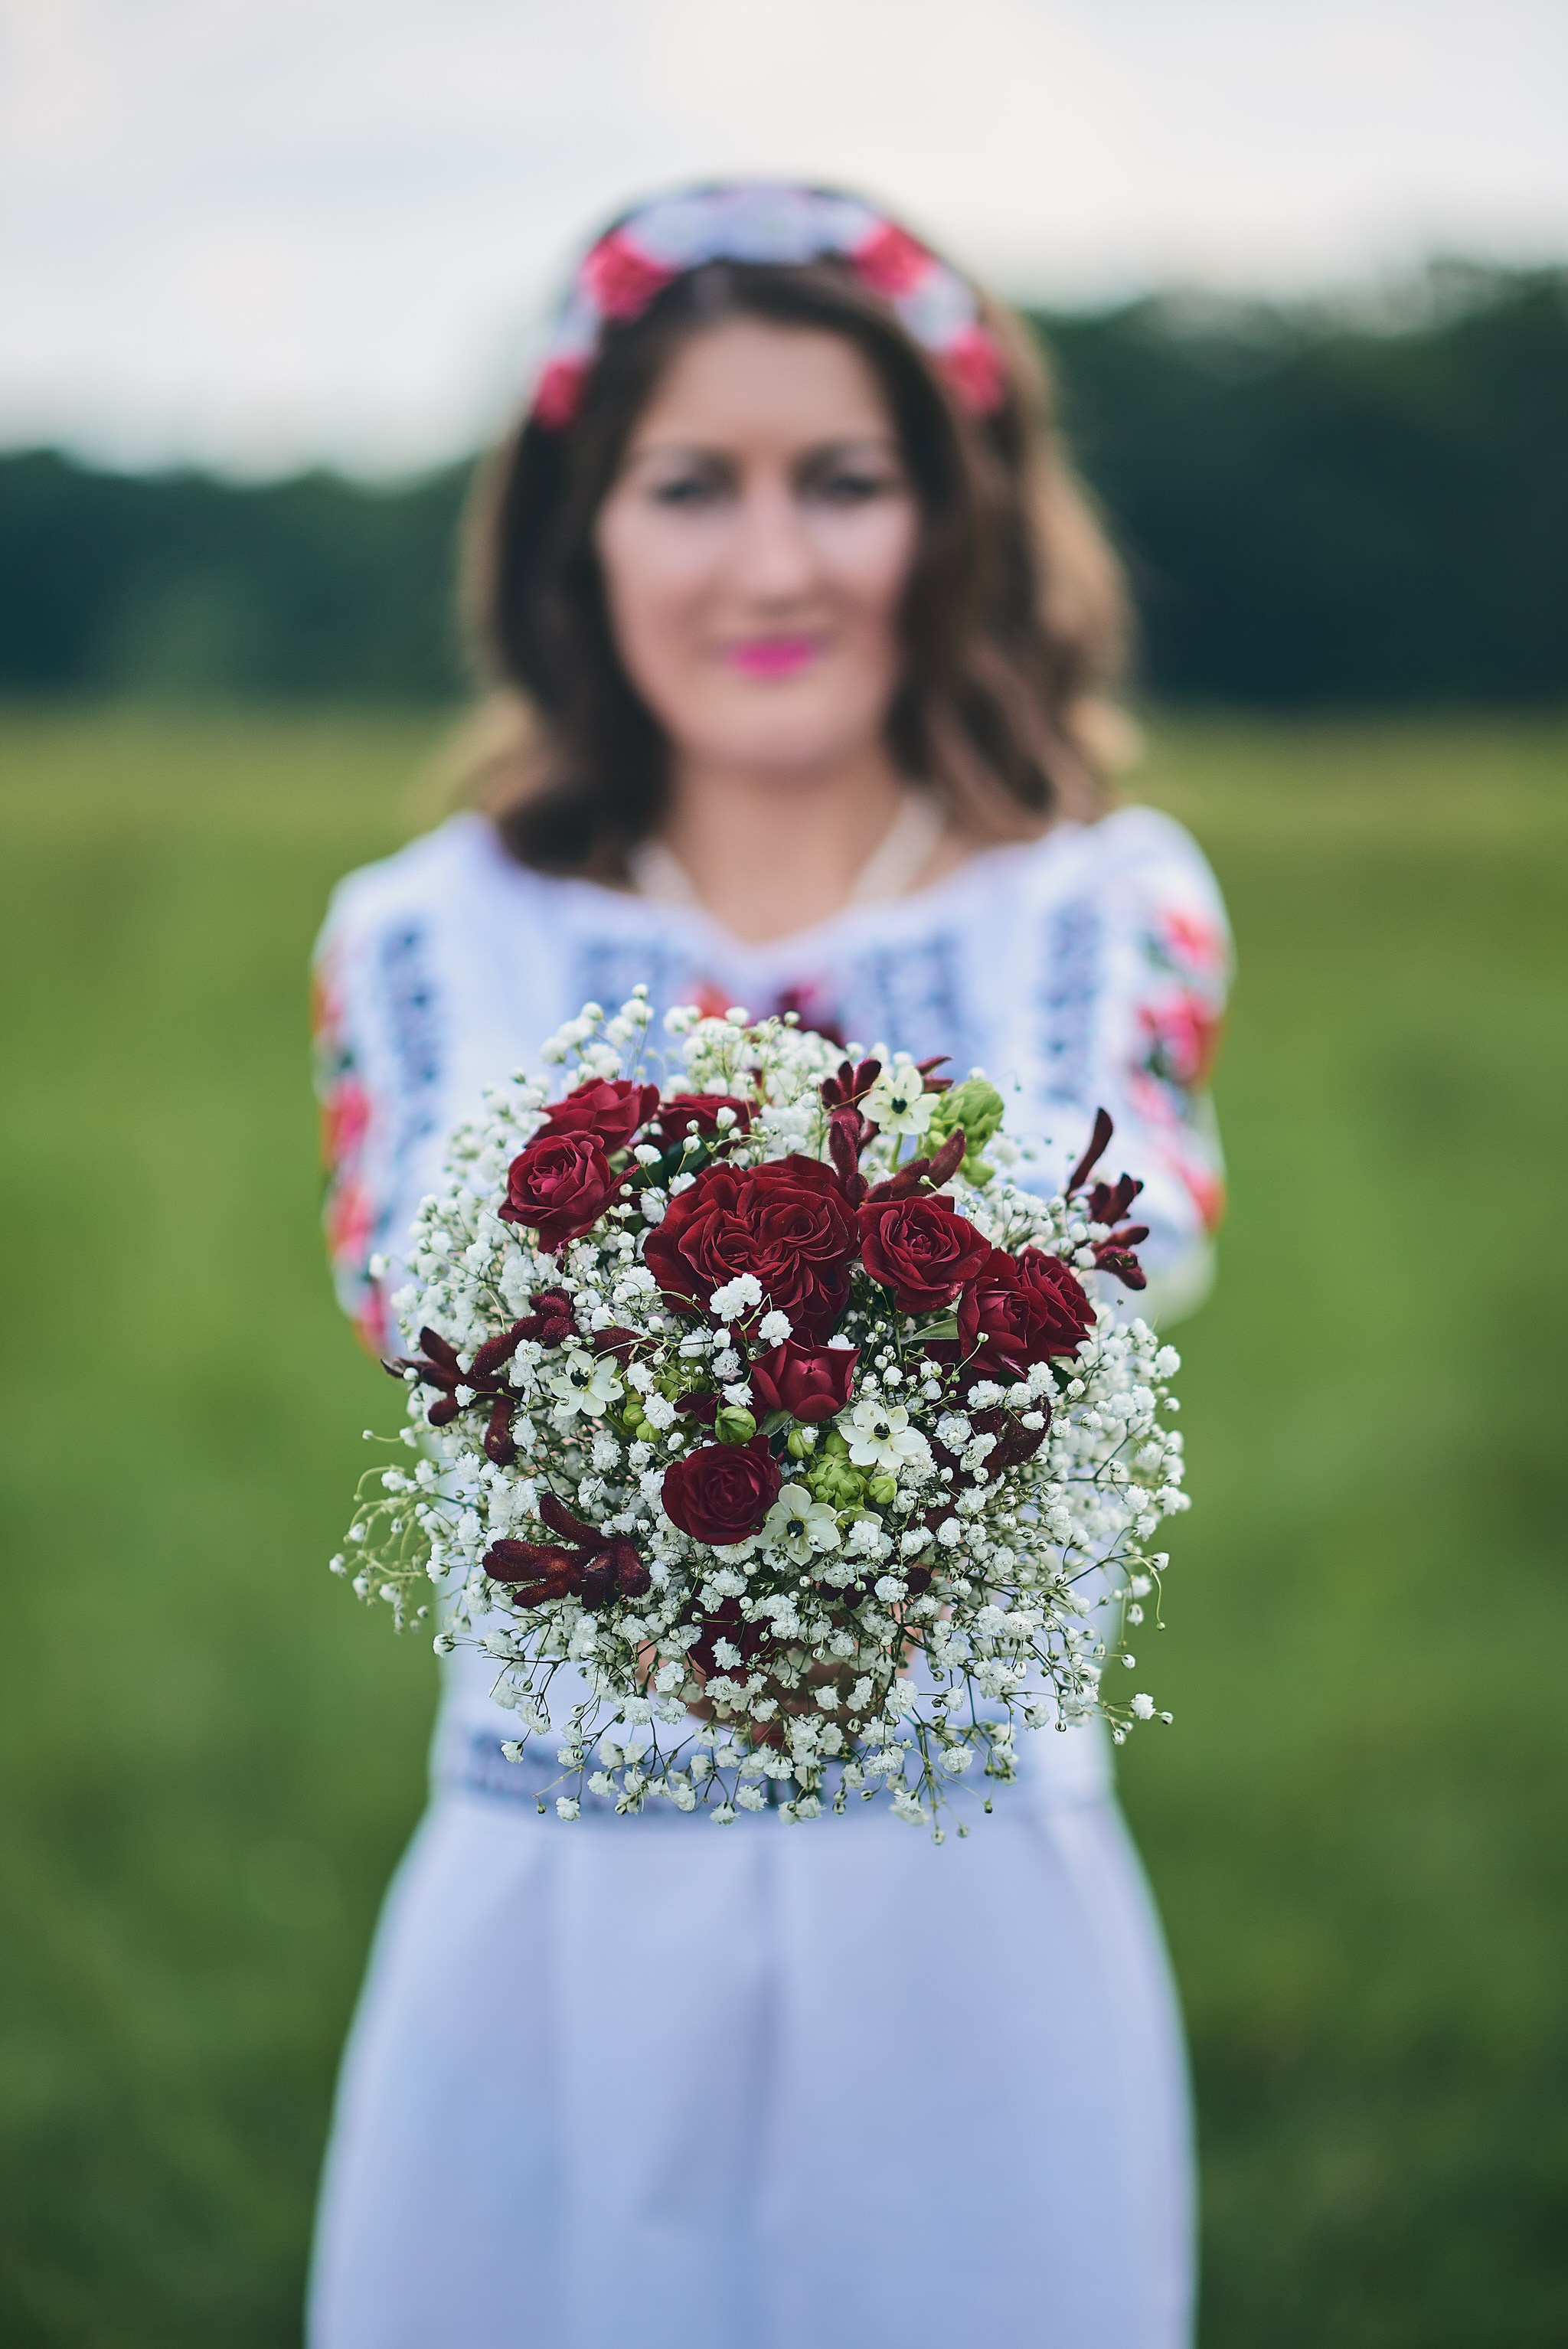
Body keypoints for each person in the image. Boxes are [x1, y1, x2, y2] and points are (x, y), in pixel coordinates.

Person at [308, 181, 1231, 2349]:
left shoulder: (1094, 905)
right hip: (553, 1896)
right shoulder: (428, 930)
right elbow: (415, 1304)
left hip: (967, 1912)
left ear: (958, 512)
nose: (774, 561)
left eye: (846, 479)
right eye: (690, 484)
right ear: (579, 529)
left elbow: (1129, 1243)